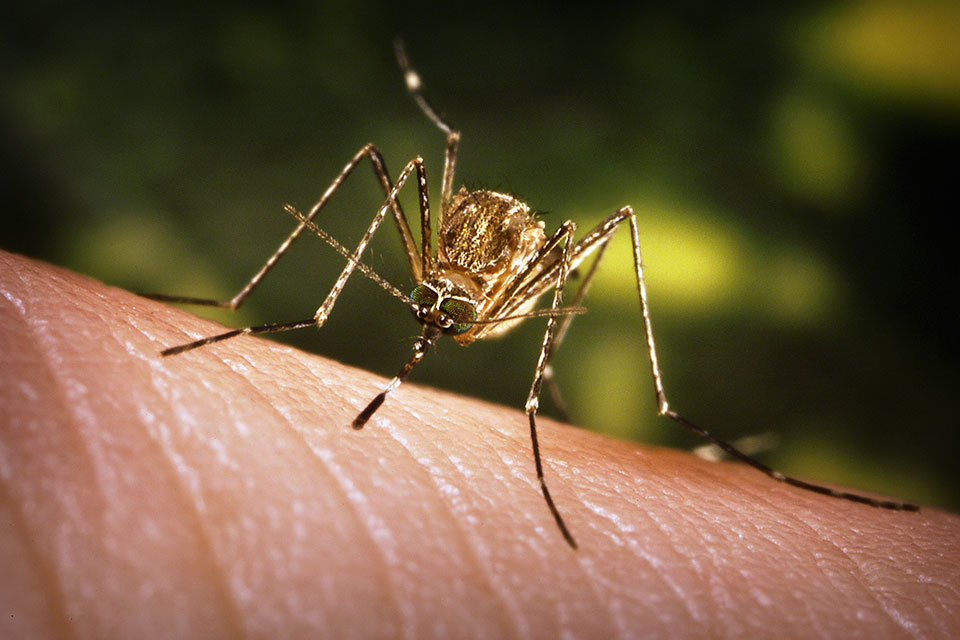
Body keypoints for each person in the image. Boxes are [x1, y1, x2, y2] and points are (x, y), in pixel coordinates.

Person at [2, 249, 958, 638]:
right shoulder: (429, 273)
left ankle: (596, 409)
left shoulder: (507, 292)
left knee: (611, 222)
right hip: (461, 263)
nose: (426, 325)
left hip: (498, 279)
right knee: (402, 159)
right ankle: (256, 310)